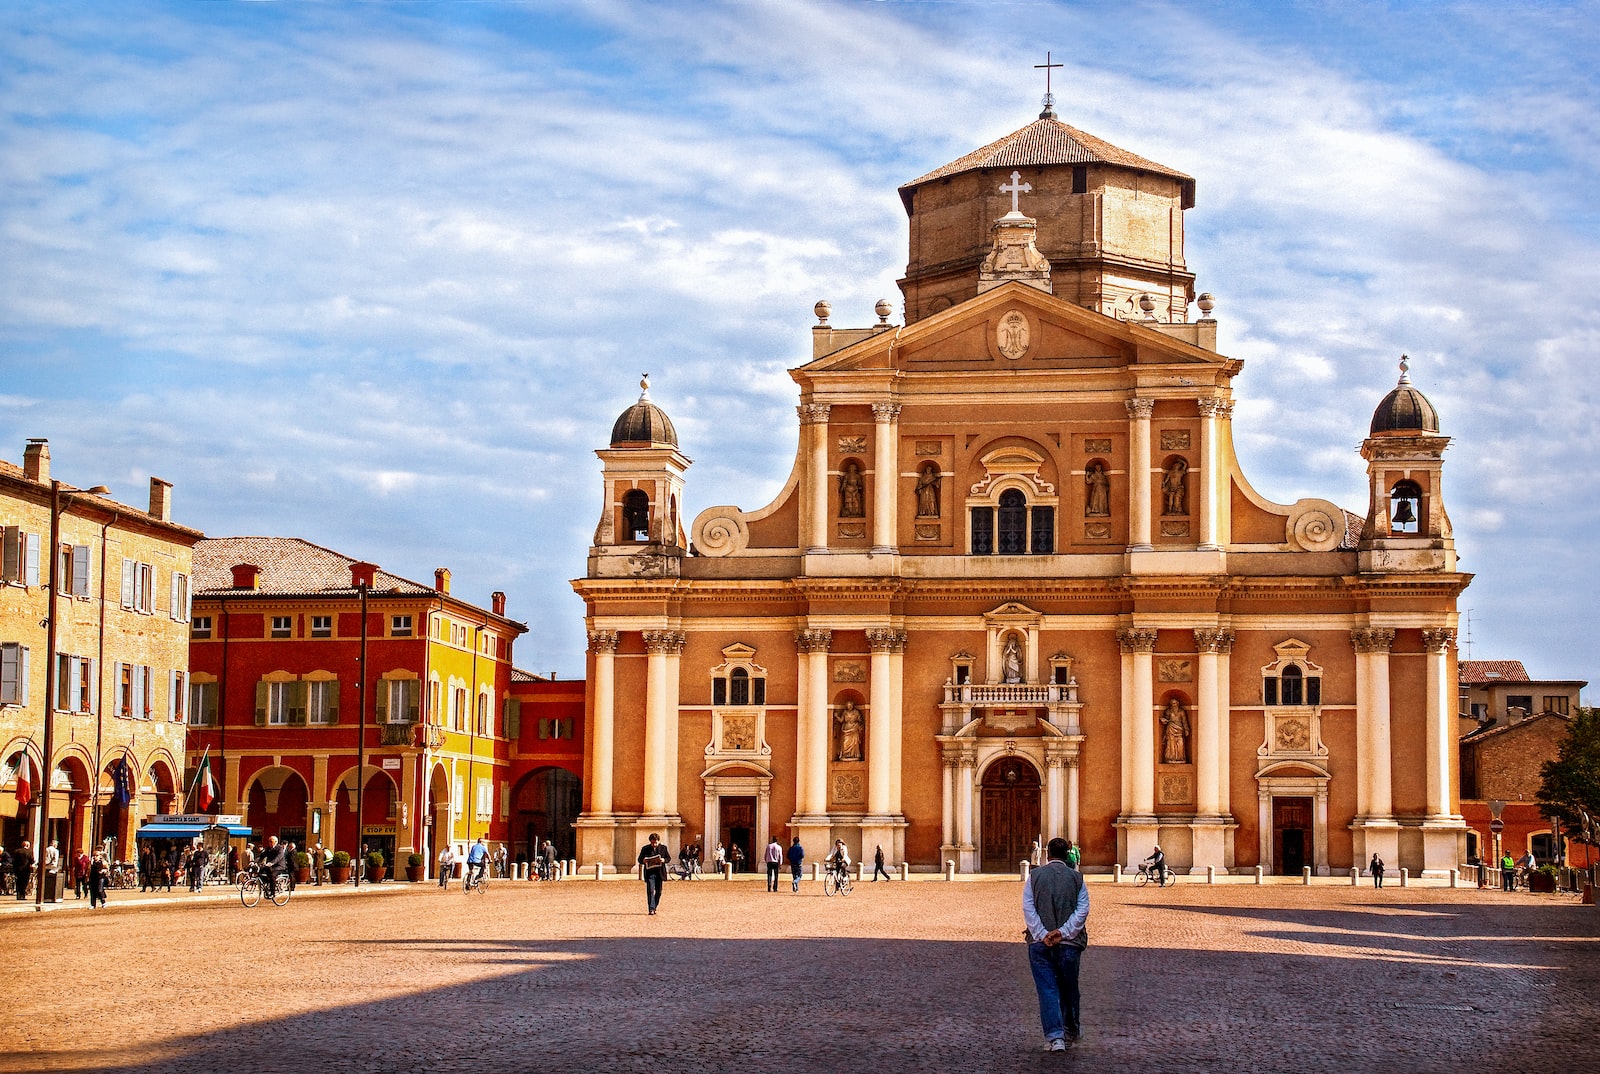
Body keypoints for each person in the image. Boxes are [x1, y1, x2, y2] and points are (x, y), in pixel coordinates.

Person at [1023, 837, 1090, 1052]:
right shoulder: (1077, 878)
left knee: (1047, 990)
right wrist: (1062, 933)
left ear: (1048, 854)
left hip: (1040, 944)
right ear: (1066, 854)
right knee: (1069, 988)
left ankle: (1055, 1037)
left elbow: (1028, 909)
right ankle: (1071, 1030)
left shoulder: (1034, 877)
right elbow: (1082, 911)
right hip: (1069, 944)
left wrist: (1043, 934)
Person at [638, 833, 670, 915]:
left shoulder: (663, 848)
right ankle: (651, 909)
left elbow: (668, 858)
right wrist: (643, 860)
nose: (654, 845)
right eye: (652, 843)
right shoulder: (645, 848)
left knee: (659, 892)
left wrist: (664, 860)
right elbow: (639, 859)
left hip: (659, 872)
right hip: (650, 873)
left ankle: (654, 906)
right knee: (650, 890)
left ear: (659, 841)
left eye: (655, 843)